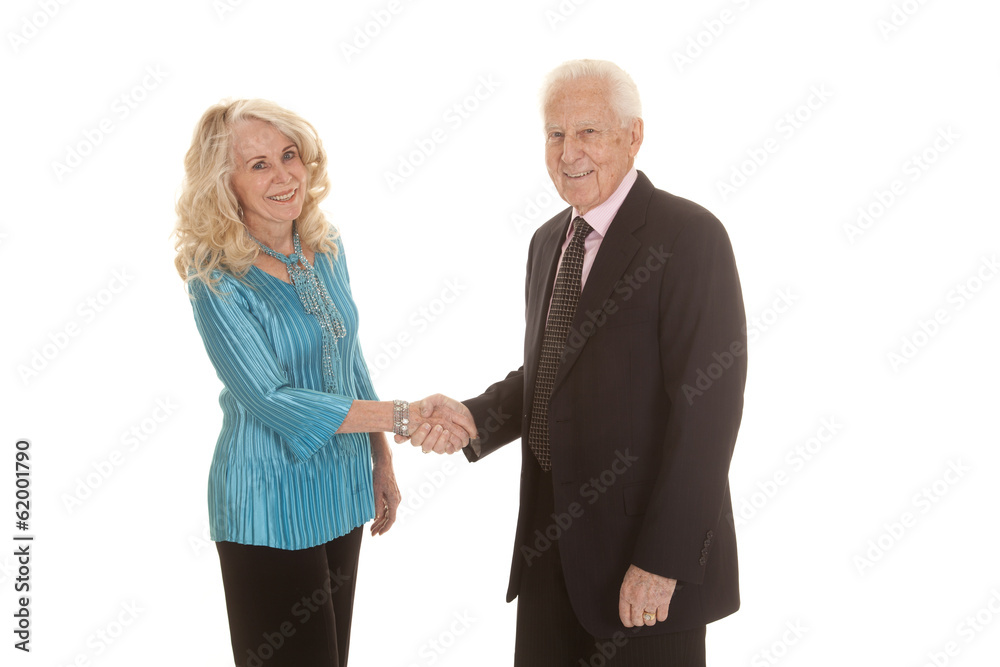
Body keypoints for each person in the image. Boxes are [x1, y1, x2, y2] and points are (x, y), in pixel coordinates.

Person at [406, 60, 747, 665]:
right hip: (549, 555)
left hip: (643, 567)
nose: (569, 153)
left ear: (633, 136)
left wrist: (663, 561)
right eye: (555, 134)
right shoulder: (548, 241)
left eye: (588, 131)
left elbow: (709, 415)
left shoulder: (689, 236)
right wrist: (474, 416)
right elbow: (553, 374)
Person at [172, 98, 474, 667]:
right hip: (266, 502)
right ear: (224, 182)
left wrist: (380, 457)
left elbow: (348, 358)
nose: (284, 175)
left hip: (338, 488)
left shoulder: (324, 245)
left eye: (290, 155)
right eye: (258, 164)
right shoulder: (214, 276)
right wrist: (404, 414)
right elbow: (272, 399)